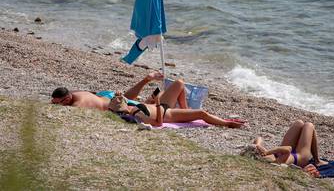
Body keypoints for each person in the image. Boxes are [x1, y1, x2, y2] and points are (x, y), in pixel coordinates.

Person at [51, 72, 243, 128]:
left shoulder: (95, 96)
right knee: (200, 113)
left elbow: (127, 99)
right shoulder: (125, 110)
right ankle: (226, 123)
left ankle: (186, 112)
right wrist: (157, 104)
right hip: (164, 112)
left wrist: (150, 93)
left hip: (154, 105)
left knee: (179, 82)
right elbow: (158, 122)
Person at [51, 71, 188, 111]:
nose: (60, 105)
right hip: (106, 96)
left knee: (179, 83)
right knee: (163, 92)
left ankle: (184, 111)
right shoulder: (74, 93)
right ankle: (147, 84)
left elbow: (73, 109)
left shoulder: (78, 103)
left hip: (112, 100)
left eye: (61, 103)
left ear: (67, 97)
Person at [253, 120, 328, 177]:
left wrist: (258, 145)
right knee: (309, 125)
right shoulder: (275, 162)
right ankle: (317, 160)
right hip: (299, 158)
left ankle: (316, 159)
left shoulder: (259, 156)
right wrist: (268, 152)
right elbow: (288, 149)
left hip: (281, 152)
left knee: (299, 123)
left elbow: (258, 138)